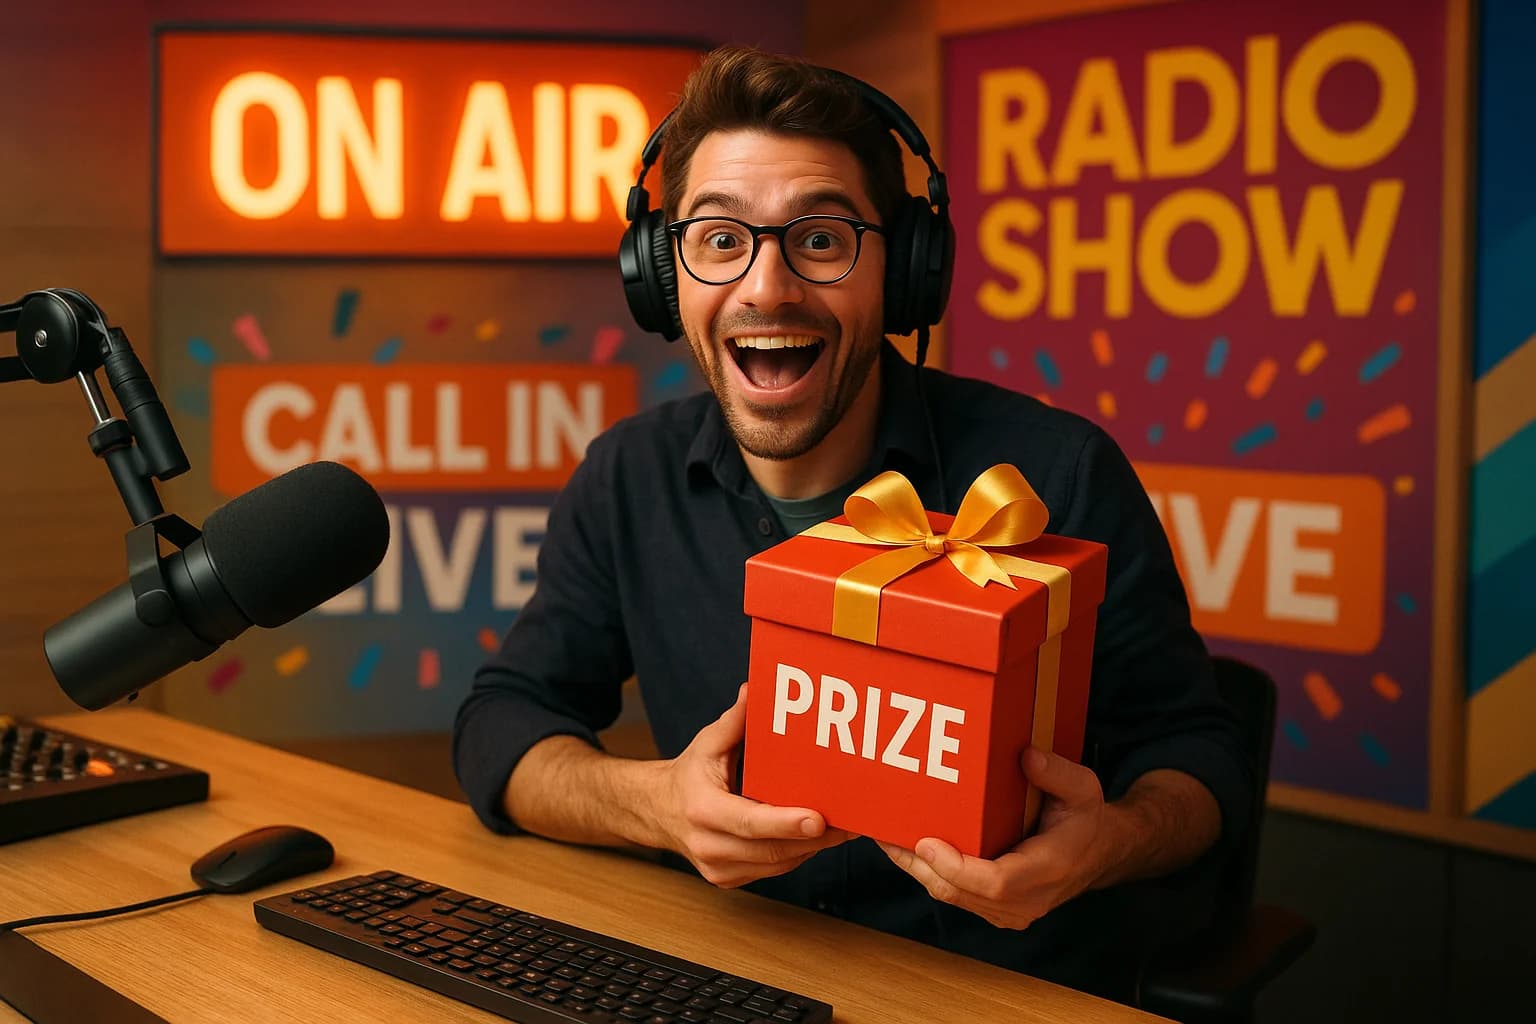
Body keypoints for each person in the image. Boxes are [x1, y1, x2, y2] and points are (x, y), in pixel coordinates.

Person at [454, 45, 1250, 1003]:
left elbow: (1201, 763)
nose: (767, 287)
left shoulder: (1056, 475)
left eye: (822, 240)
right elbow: (501, 726)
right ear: (663, 275)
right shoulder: (628, 477)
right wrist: (653, 805)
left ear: (907, 271)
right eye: (718, 240)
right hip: (725, 986)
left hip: (989, 991)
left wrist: (1104, 845)